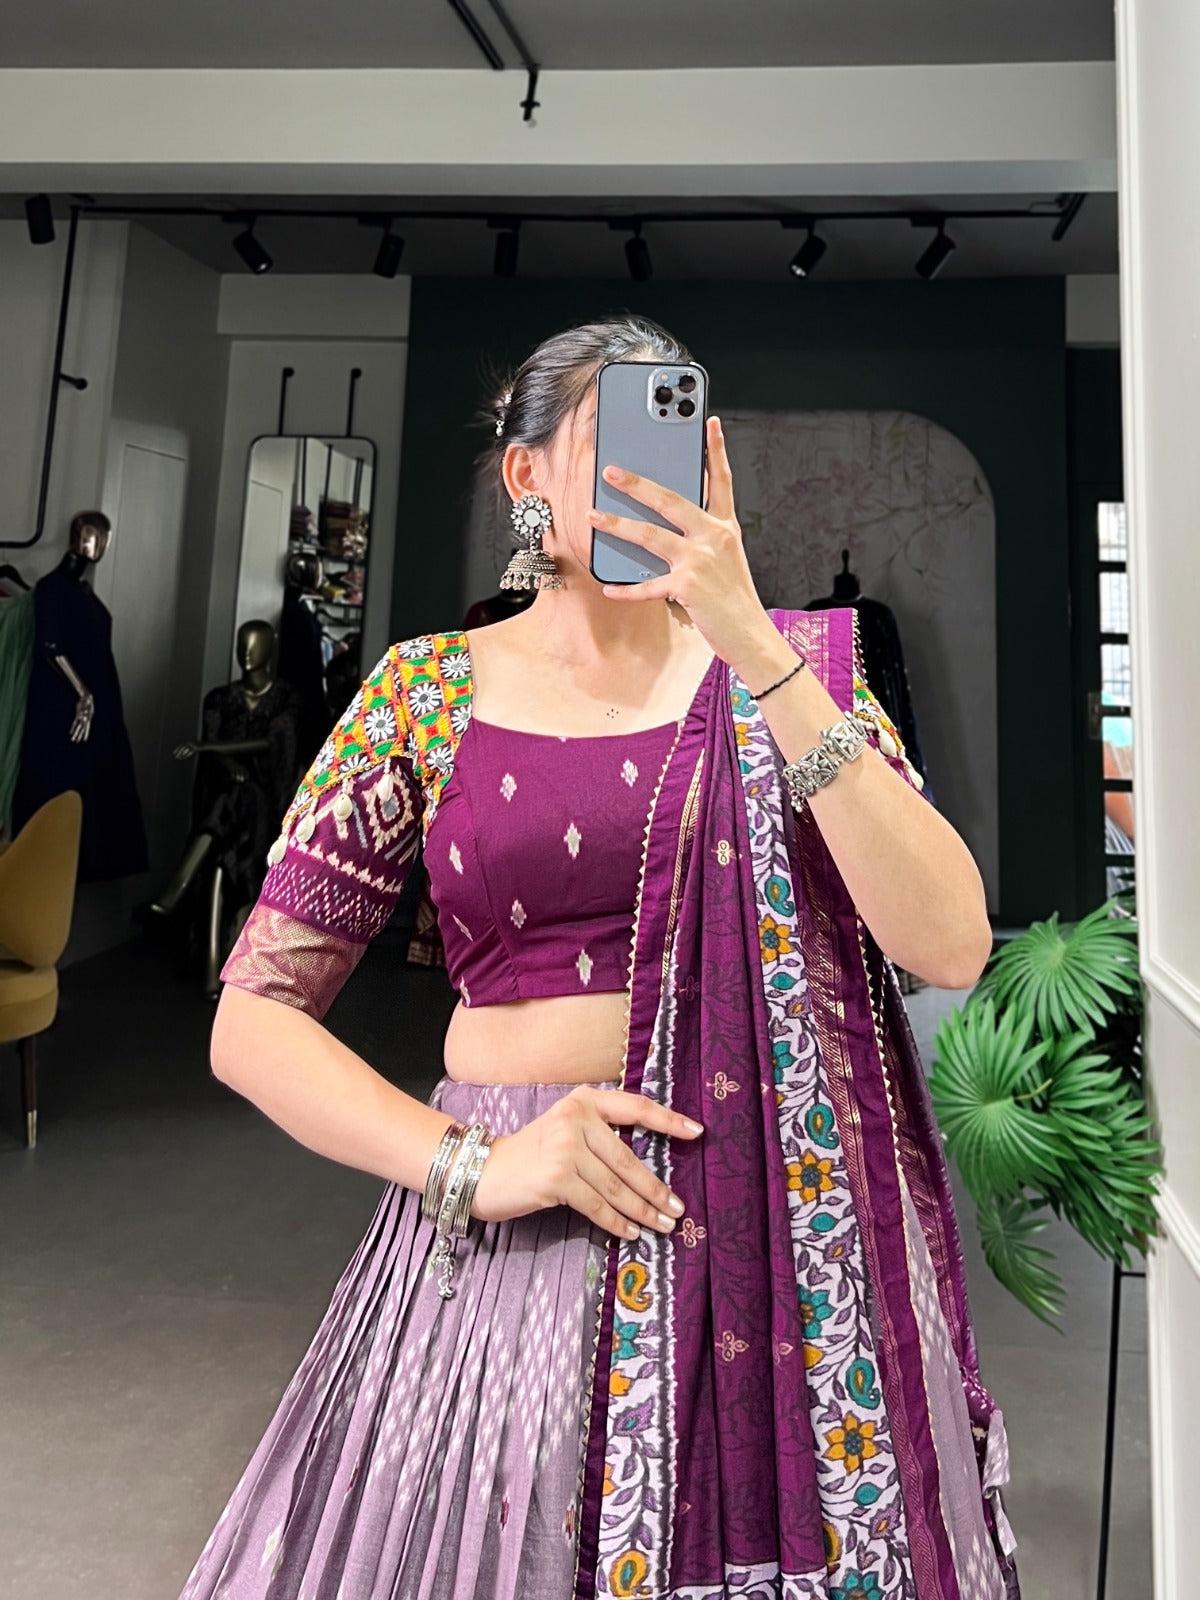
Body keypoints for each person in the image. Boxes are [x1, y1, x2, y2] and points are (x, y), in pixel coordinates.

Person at [178, 316, 1020, 1600]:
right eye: (612, 439)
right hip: (517, 1242)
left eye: (672, 436)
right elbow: (252, 1020)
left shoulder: (795, 674)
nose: (647, 475)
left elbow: (950, 939)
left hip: (778, 1246)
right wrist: (475, 1164)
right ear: (526, 475)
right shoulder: (425, 694)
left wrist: (754, 646)